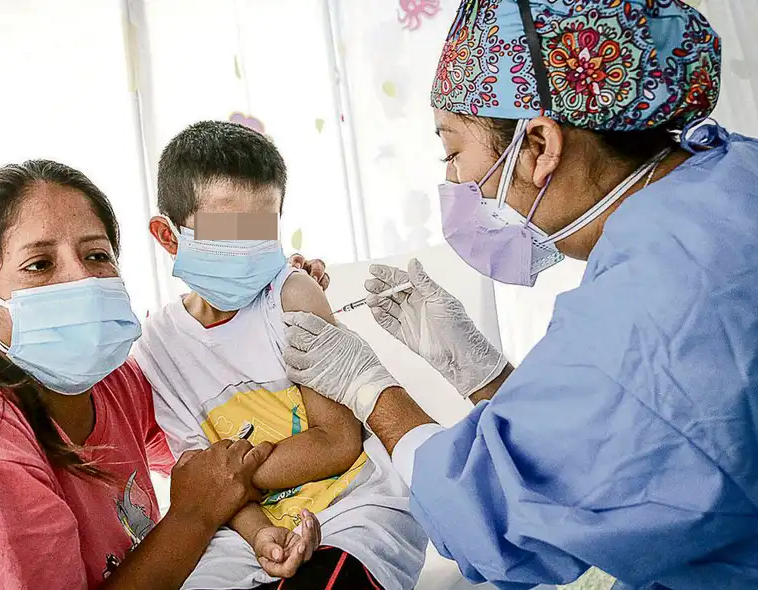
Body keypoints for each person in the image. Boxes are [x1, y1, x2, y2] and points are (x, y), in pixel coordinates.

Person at [279, 1, 758, 589]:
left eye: (452, 151)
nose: (453, 181)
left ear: (538, 144)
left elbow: (496, 522)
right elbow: (605, 452)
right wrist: (485, 376)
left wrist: (371, 390)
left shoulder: (644, 311)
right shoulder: (732, 176)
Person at [0, 160, 330, 589]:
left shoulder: (111, 383)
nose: (81, 278)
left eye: (97, 255)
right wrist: (193, 515)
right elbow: (207, 488)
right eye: (40, 265)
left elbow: (212, 429)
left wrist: (265, 298)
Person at [132, 121, 428, 589]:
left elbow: (336, 442)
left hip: (350, 510)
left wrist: (225, 485)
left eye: (262, 230)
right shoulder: (157, 349)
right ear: (169, 237)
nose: (250, 250)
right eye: (228, 232)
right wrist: (262, 533)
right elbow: (202, 481)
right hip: (244, 531)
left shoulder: (291, 296)